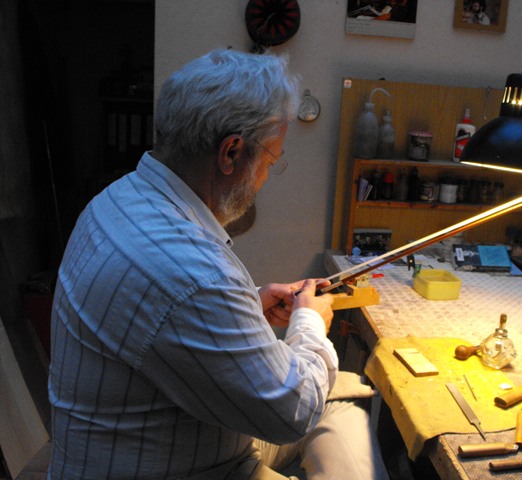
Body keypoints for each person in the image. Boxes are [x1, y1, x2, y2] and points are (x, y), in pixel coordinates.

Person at [48, 49, 389, 479]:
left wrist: (248, 306)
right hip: (184, 468)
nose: (265, 177)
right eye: (270, 160)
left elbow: (167, 321)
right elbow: (293, 412)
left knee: (341, 400)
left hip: (167, 443)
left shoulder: (116, 201)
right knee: (326, 401)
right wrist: (310, 322)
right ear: (231, 152)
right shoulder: (192, 272)